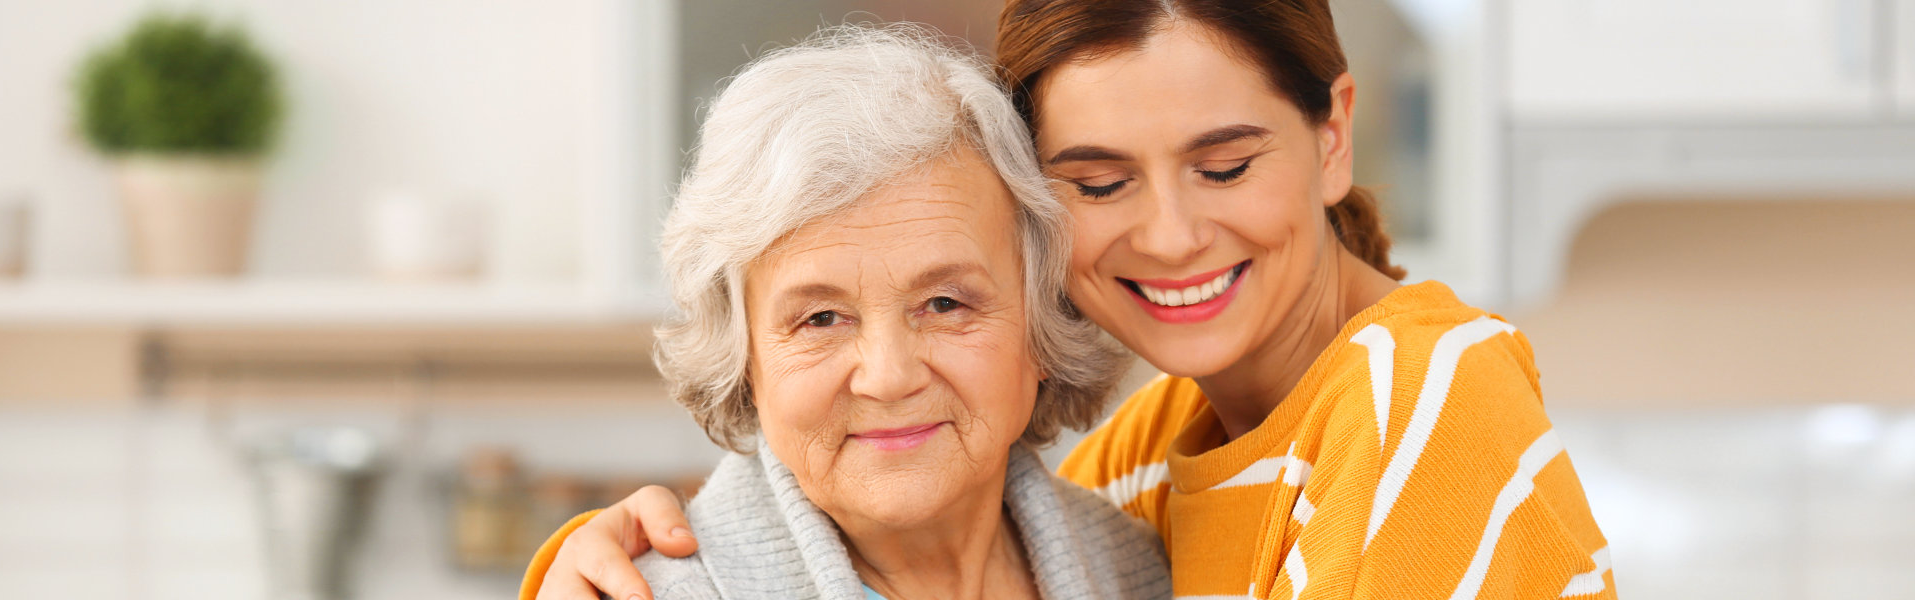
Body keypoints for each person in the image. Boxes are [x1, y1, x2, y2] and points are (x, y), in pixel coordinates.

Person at [529, 1, 1615, 599]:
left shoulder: (1424, 401)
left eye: (1226, 165)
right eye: (1099, 183)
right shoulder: (1147, 467)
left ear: (1334, 135)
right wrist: (600, 558)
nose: (1173, 233)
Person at [540, 23, 1171, 600]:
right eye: (820, 318)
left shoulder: (1145, 570)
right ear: (746, 362)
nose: (889, 376)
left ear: (1040, 325)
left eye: (945, 303)